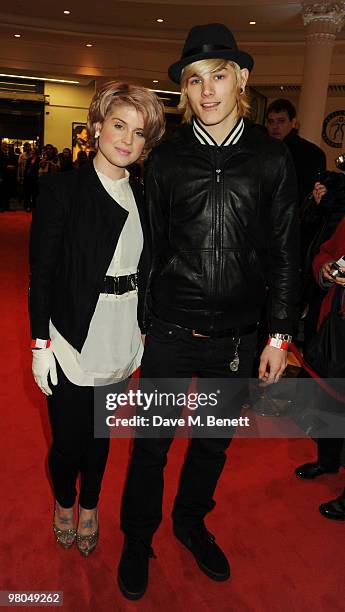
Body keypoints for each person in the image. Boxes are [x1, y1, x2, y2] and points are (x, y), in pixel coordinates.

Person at [118, 23, 300, 600]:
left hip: (238, 340)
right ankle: (137, 537)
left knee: (212, 444)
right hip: (172, 330)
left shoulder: (272, 159)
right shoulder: (166, 160)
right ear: (185, 91)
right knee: (151, 447)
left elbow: (285, 252)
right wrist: (140, 325)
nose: (208, 90)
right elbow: (152, 248)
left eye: (218, 75)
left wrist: (279, 336)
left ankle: (191, 522)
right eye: (196, 80)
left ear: (241, 78)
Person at [29, 82, 165, 555]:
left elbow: (150, 269)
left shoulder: (146, 197)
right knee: (69, 440)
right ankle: (64, 500)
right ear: (97, 127)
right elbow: (41, 274)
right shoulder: (62, 189)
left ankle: (90, 505)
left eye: (140, 133)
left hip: (121, 331)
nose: (127, 139)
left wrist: (146, 326)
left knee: (101, 434)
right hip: (70, 333)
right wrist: (38, 343)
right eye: (119, 125)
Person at [295, 215, 345, 520]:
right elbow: (325, 251)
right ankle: (328, 460)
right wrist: (325, 269)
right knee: (330, 396)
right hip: (336, 323)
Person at [266, 99, 326, 205]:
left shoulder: (312, 153)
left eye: (281, 121)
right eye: (271, 122)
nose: (275, 126)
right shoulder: (264, 150)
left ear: (293, 123)